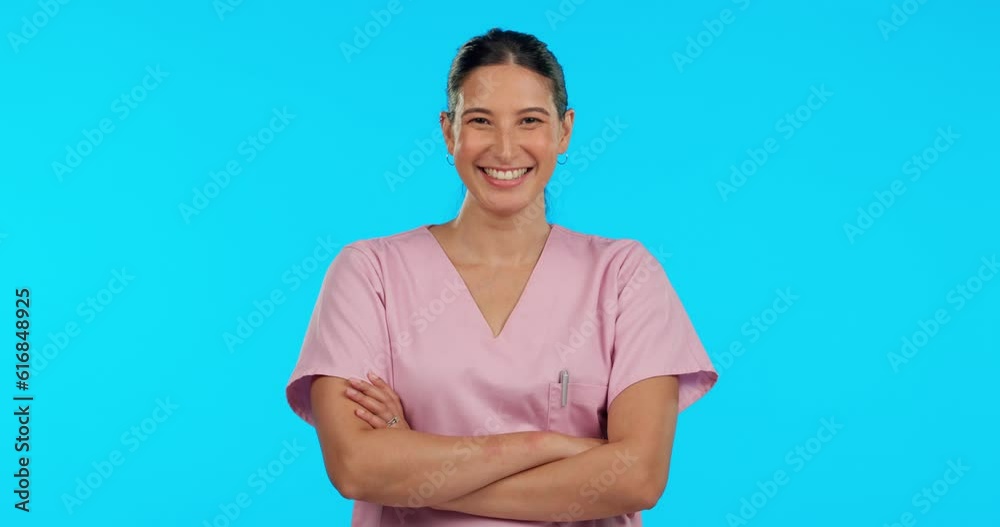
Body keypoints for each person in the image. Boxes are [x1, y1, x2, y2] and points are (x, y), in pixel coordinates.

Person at [284, 27, 718, 526]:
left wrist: (412, 467)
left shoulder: (623, 274)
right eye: (481, 121)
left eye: (530, 120)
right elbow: (356, 467)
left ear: (564, 131)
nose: (506, 149)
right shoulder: (369, 272)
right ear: (449, 132)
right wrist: (550, 446)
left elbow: (637, 478)